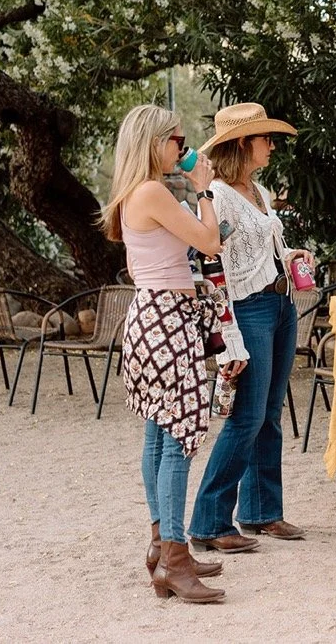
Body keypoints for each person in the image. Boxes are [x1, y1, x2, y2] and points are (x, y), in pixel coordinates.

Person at [100, 104, 226, 604]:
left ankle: (163, 547)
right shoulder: (153, 191)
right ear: (155, 144)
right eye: (177, 140)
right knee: (177, 438)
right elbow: (210, 241)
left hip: (151, 317)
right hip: (167, 319)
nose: (184, 147)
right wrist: (204, 187)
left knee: (158, 435)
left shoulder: (137, 193)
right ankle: (173, 557)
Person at [189, 102, 313, 552]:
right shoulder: (219, 195)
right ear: (244, 143)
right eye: (266, 138)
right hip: (250, 309)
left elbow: (256, 250)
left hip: (279, 304)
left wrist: (289, 256)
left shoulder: (256, 190)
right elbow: (213, 265)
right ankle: (209, 520)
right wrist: (229, 336)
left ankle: (261, 511)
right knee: (248, 417)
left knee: (270, 413)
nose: (272, 146)